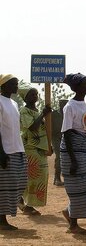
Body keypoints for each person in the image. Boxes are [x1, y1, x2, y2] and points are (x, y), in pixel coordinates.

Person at [60, 73, 86, 235]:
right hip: (73, 151)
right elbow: (67, 134)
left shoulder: (85, 105)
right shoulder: (70, 107)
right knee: (77, 188)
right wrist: (73, 160)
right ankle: (73, 225)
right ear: (76, 87)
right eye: (85, 83)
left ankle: (69, 212)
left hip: (85, 150)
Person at [18, 84, 52, 216]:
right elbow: (32, 127)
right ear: (25, 97)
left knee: (41, 176)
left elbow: (43, 130)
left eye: (36, 94)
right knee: (32, 177)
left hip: (41, 149)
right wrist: (43, 114)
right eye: (32, 94)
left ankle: (23, 201)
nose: (35, 96)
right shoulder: (24, 111)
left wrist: (49, 145)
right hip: (31, 149)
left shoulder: (37, 111)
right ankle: (27, 205)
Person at [0, 74, 27, 230]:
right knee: (4, 186)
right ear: (3, 86)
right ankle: (2, 220)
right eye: (13, 84)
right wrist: (1, 152)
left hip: (18, 149)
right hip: (6, 150)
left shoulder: (14, 103)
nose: (17, 86)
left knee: (20, 183)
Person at [52, 99, 69, 186]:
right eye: (62, 104)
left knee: (64, 157)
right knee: (59, 157)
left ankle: (57, 177)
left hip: (65, 137)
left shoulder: (68, 113)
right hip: (55, 137)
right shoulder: (54, 114)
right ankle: (57, 178)